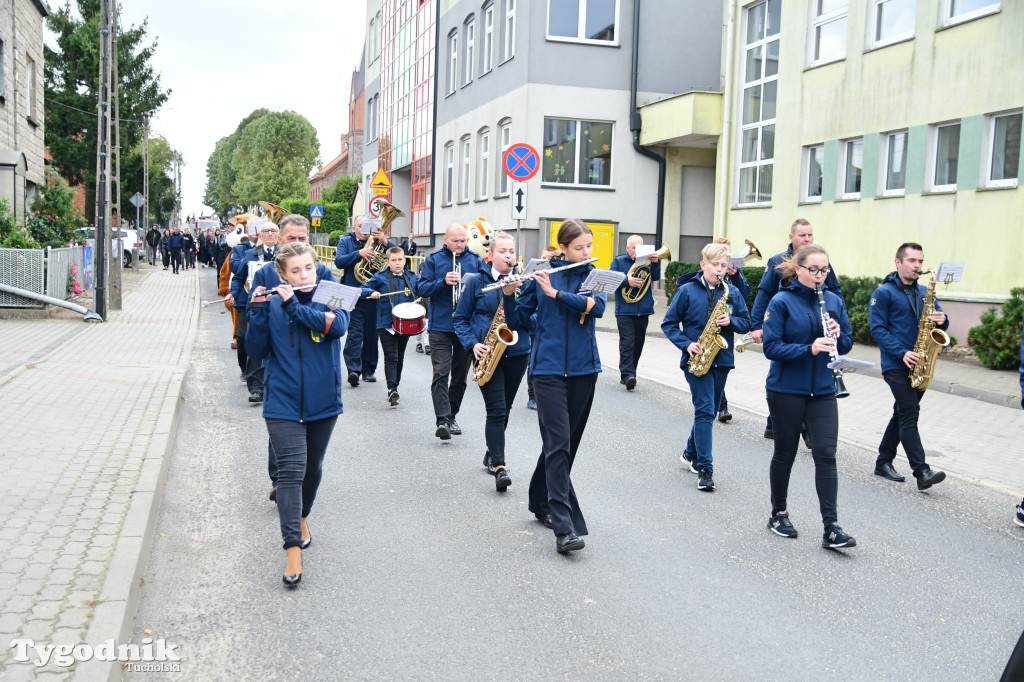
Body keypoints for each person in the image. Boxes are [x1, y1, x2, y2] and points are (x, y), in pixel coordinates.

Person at [247, 241, 349, 587]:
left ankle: (303, 516)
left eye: (308, 267)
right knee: (290, 472)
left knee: (312, 468)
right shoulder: (274, 300)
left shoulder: (332, 292)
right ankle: (292, 548)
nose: (305, 274)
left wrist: (293, 306)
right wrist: (257, 311)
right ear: (282, 275)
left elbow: (335, 327)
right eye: (296, 271)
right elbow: (256, 352)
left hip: (324, 401)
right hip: (282, 401)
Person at [503, 218, 604, 554]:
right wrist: (508, 295)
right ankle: (564, 528)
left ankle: (540, 499)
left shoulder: (592, 276)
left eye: (589, 246)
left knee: (564, 446)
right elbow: (517, 321)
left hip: (584, 370)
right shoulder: (542, 274)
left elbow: (596, 309)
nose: (586, 252)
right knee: (558, 442)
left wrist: (556, 294)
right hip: (546, 371)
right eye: (579, 248)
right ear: (563, 248)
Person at [762, 244, 856, 550]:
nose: (820, 276)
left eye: (824, 270)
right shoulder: (782, 301)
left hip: (824, 390)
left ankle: (832, 527)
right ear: (798, 269)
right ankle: (779, 513)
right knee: (785, 452)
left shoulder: (833, 300)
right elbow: (771, 348)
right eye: (813, 270)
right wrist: (808, 348)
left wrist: (840, 334)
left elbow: (850, 342)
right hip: (786, 388)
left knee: (826, 455)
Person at [662, 242, 750, 492]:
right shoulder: (688, 291)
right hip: (696, 360)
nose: (720, 270)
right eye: (715, 265)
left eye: (724, 266)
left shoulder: (731, 292)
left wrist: (730, 320)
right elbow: (668, 324)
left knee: (710, 411)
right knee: (703, 410)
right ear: (703, 264)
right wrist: (686, 343)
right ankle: (705, 469)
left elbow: (746, 323)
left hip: (721, 358)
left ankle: (690, 452)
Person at [750, 219, 843, 442]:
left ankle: (784, 424)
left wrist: (839, 319)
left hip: (815, 325)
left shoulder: (820, 262)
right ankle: (789, 423)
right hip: (785, 327)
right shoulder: (776, 261)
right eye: (802, 235)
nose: (807, 239)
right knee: (783, 371)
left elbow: (836, 292)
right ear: (791, 237)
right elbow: (765, 293)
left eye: (810, 235)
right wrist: (756, 325)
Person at [454, 231, 532, 492]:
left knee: (506, 408)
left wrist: (516, 296)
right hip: (486, 352)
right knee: (496, 410)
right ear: (491, 255)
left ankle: (491, 449)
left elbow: (533, 319)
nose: (508, 256)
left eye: (511, 251)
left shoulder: (524, 282)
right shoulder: (477, 281)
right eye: (503, 251)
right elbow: (460, 318)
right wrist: (471, 344)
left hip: (517, 352)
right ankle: (499, 466)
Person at [868, 243, 950, 490]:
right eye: (912, 261)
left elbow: (939, 325)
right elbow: (877, 329)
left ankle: (883, 461)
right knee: (909, 414)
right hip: (896, 364)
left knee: (902, 413)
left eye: (920, 261)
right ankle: (921, 471)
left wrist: (943, 320)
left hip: (921, 364)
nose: (917, 266)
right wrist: (901, 352)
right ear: (898, 262)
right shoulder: (882, 293)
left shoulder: (926, 292)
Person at [249, 215, 319, 502]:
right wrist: (255, 310)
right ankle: (280, 479)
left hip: (313, 364)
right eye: (292, 238)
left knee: (312, 430)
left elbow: (337, 316)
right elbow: (256, 344)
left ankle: (303, 477)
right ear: (279, 240)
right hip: (278, 366)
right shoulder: (265, 274)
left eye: (302, 238)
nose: (298, 243)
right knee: (281, 426)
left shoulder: (320, 272)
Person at [418, 223, 485, 440]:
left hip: (465, 328)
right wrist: (442, 282)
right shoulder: (434, 259)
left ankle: (452, 414)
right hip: (440, 326)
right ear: (445, 240)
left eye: (462, 240)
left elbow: (484, 291)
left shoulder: (475, 260)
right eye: (454, 240)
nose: (459, 245)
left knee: (460, 377)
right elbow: (421, 289)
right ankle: (442, 420)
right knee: (440, 372)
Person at [335, 216, 393, 386]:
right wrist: (358, 254)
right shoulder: (346, 242)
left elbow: (398, 258)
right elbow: (339, 262)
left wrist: (385, 241)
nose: (364, 230)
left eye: (367, 227)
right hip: (352, 293)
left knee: (371, 335)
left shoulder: (378, 243)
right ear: (354, 228)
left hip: (374, 294)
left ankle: (368, 370)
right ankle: (353, 370)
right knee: (354, 334)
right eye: (360, 226)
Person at [361, 247, 421, 406]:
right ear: (388, 262)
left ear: (405, 260)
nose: (397, 263)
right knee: (391, 356)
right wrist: (371, 292)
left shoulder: (412, 277)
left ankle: (395, 386)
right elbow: (363, 288)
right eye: (393, 260)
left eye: (400, 260)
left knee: (400, 357)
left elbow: (424, 289)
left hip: (405, 323)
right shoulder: (379, 278)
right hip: (386, 323)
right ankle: (391, 389)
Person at [232, 223, 281, 403]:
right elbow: (239, 277)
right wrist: (233, 293)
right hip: (256, 304)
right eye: (266, 231)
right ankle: (255, 388)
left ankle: (274, 383)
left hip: (279, 304)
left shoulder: (284, 254)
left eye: (273, 231)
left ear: (278, 235)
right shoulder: (250, 254)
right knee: (252, 341)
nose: (269, 234)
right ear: (260, 234)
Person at [609, 235, 661, 392]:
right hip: (625, 311)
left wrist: (656, 263)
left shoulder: (646, 262)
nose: (637, 251)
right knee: (627, 344)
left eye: (640, 248)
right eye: (634, 248)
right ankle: (627, 375)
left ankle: (631, 372)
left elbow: (656, 278)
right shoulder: (619, 261)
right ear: (627, 248)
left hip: (643, 310)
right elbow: (611, 279)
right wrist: (627, 281)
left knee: (638, 344)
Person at [712, 237, 752, 423]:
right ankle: (721, 406)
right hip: (708, 327)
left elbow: (745, 294)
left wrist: (735, 275)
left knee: (720, 368)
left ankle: (718, 404)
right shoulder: (710, 271)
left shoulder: (734, 273)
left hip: (727, 324)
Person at [525, 245, 559, 410]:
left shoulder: (555, 279)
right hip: (533, 326)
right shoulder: (534, 277)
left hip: (546, 327)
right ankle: (532, 396)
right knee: (532, 362)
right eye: (542, 258)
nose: (544, 261)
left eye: (548, 259)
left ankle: (545, 396)